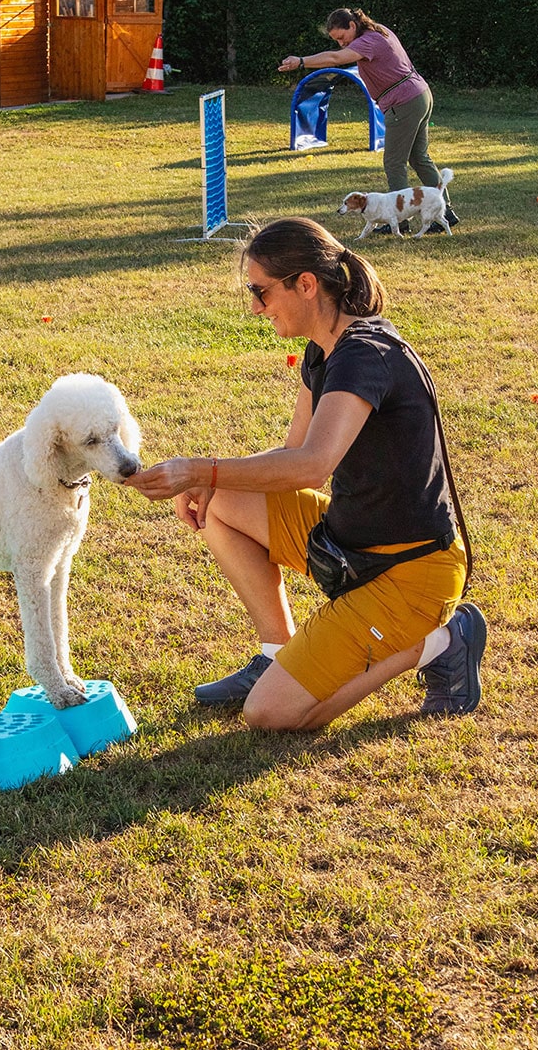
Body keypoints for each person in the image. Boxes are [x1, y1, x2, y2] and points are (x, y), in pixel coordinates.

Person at [124, 216, 486, 731]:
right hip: (351, 543)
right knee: (220, 501)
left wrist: (202, 468)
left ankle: (442, 643)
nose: (255, 306)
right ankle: (276, 652)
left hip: (411, 572)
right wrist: (212, 480)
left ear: (306, 284)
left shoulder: (365, 354)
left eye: (261, 291)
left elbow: (314, 464)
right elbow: (296, 459)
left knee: (269, 715)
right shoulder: (324, 351)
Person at [279, 6, 459, 233]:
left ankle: (400, 221)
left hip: (403, 103)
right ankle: (445, 213)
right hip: (419, 95)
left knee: (394, 163)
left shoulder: (368, 41)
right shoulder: (378, 31)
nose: (341, 43)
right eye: (336, 40)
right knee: (419, 157)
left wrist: (301, 61)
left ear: (352, 25)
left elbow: (335, 58)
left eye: (342, 37)